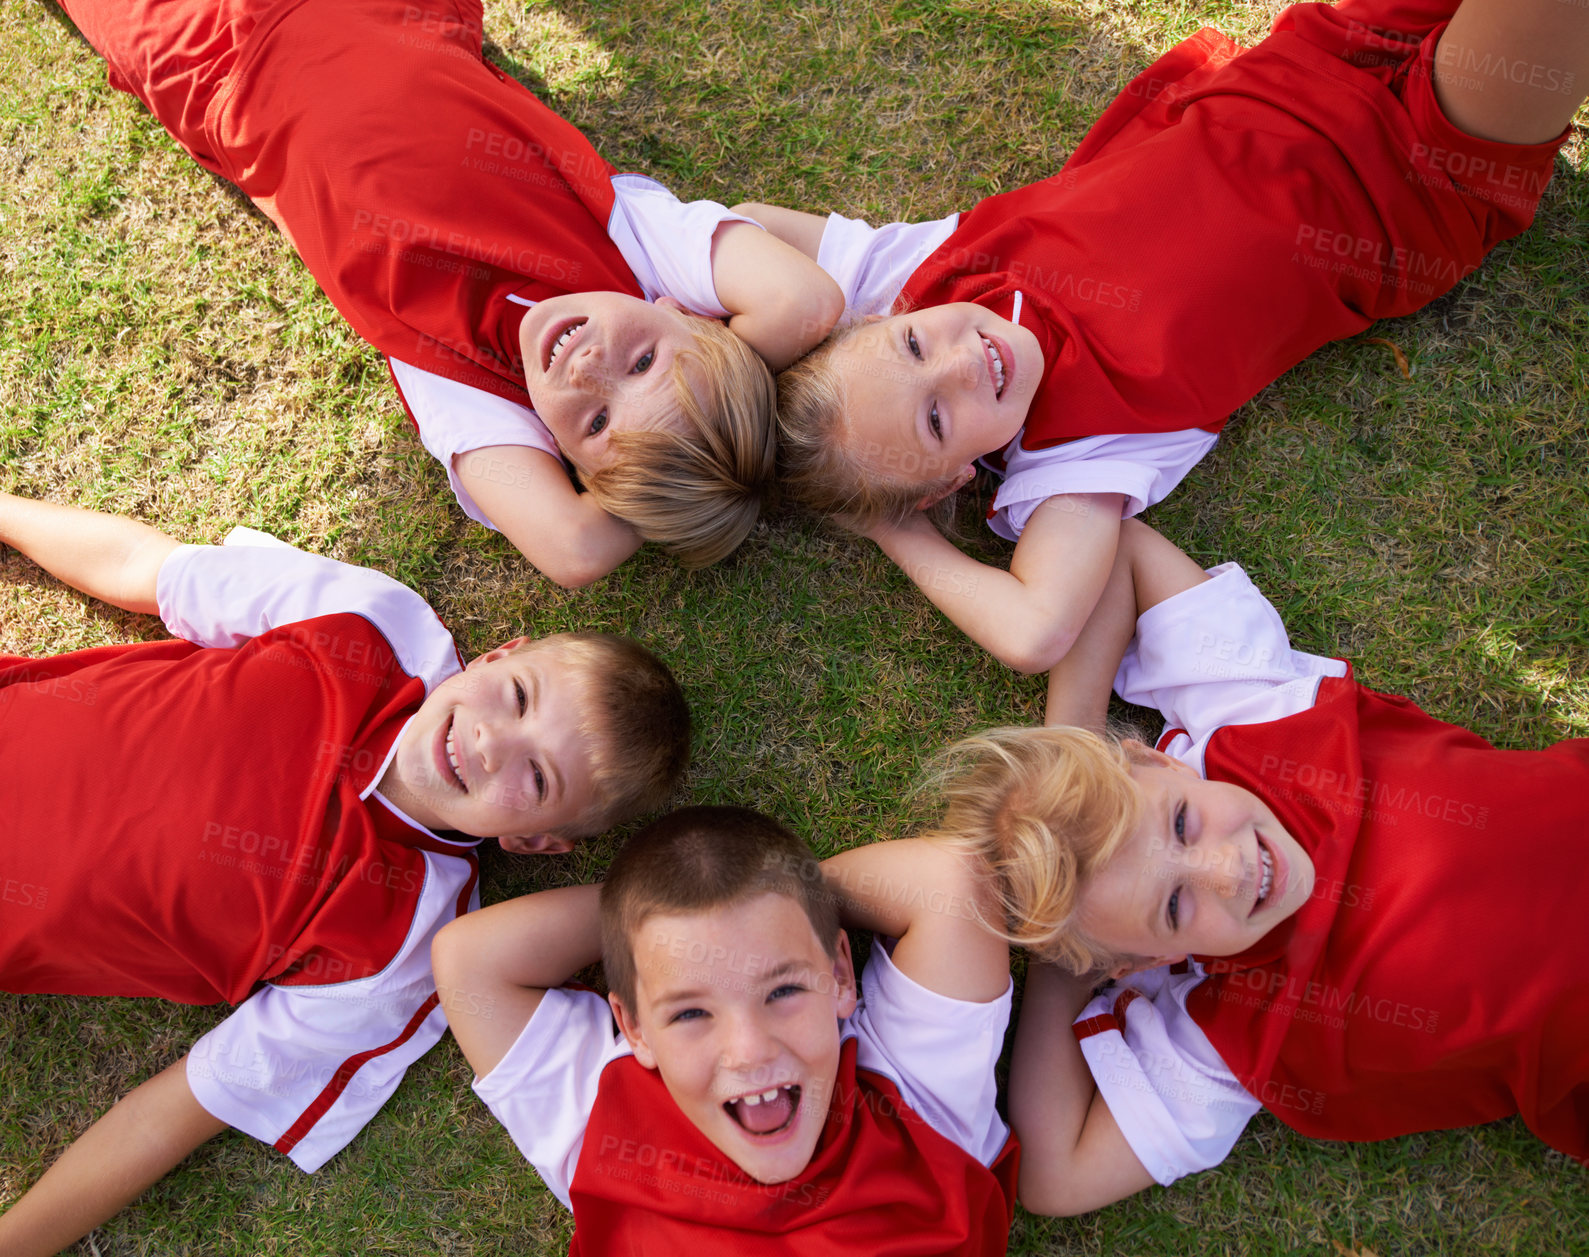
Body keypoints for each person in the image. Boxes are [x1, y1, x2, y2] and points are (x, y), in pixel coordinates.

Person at [751, 0, 1589, 673]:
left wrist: (727, 359)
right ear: (949, 483)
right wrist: (894, 528)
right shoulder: (1075, 458)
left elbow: (746, 226)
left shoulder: (925, 273)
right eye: (936, 419)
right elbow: (1034, 632)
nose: (964, 362)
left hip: (1317, 57)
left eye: (910, 348)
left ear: (876, 315)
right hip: (1413, 177)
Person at [0, 491, 690, 1256]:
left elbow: (178, 1107)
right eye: (519, 696)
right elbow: (149, 568)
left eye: (534, 778)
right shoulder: (373, 624)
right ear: (499, 654)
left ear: (536, 840)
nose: (494, 742)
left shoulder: (399, 951)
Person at [925, 518, 1589, 1215]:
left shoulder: (1256, 717)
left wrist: (1070, 738)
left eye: (1181, 822)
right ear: (1144, 957)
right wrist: (1061, 959)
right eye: (1174, 906)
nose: (1227, 868)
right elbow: (1053, 1179)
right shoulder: (1228, 1030)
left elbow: (1116, 546)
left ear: (1155, 758)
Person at [55, 0, 844, 584]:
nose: (585, 367)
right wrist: (712, 389)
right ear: (687, 315)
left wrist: (644, 486)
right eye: (641, 362)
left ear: (568, 462)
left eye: (597, 421)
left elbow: (576, 549)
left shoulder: (474, 388)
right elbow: (805, 302)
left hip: (212, 63)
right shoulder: (635, 248)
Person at [433, 805, 1018, 1253]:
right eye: (689, 1013)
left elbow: (955, 886)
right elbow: (469, 962)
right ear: (634, 1028)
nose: (748, 1050)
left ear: (840, 974)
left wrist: (782, 894)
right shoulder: (608, 1123)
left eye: (784, 990)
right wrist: (647, 920)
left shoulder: (913, 1102)